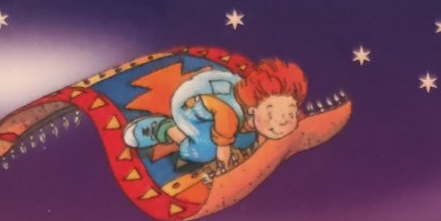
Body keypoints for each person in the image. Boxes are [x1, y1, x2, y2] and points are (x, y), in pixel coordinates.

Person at [122, 55, 306, 169]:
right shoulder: (230, 112)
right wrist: (223, 148)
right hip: (194, 107)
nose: (283, 122)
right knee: (203, 150)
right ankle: (164, 127)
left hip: (224, 111)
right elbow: (223, 113)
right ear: (253, 108)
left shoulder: (260, 110)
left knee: (245, 141)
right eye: (271, 115)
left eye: (291, 114)